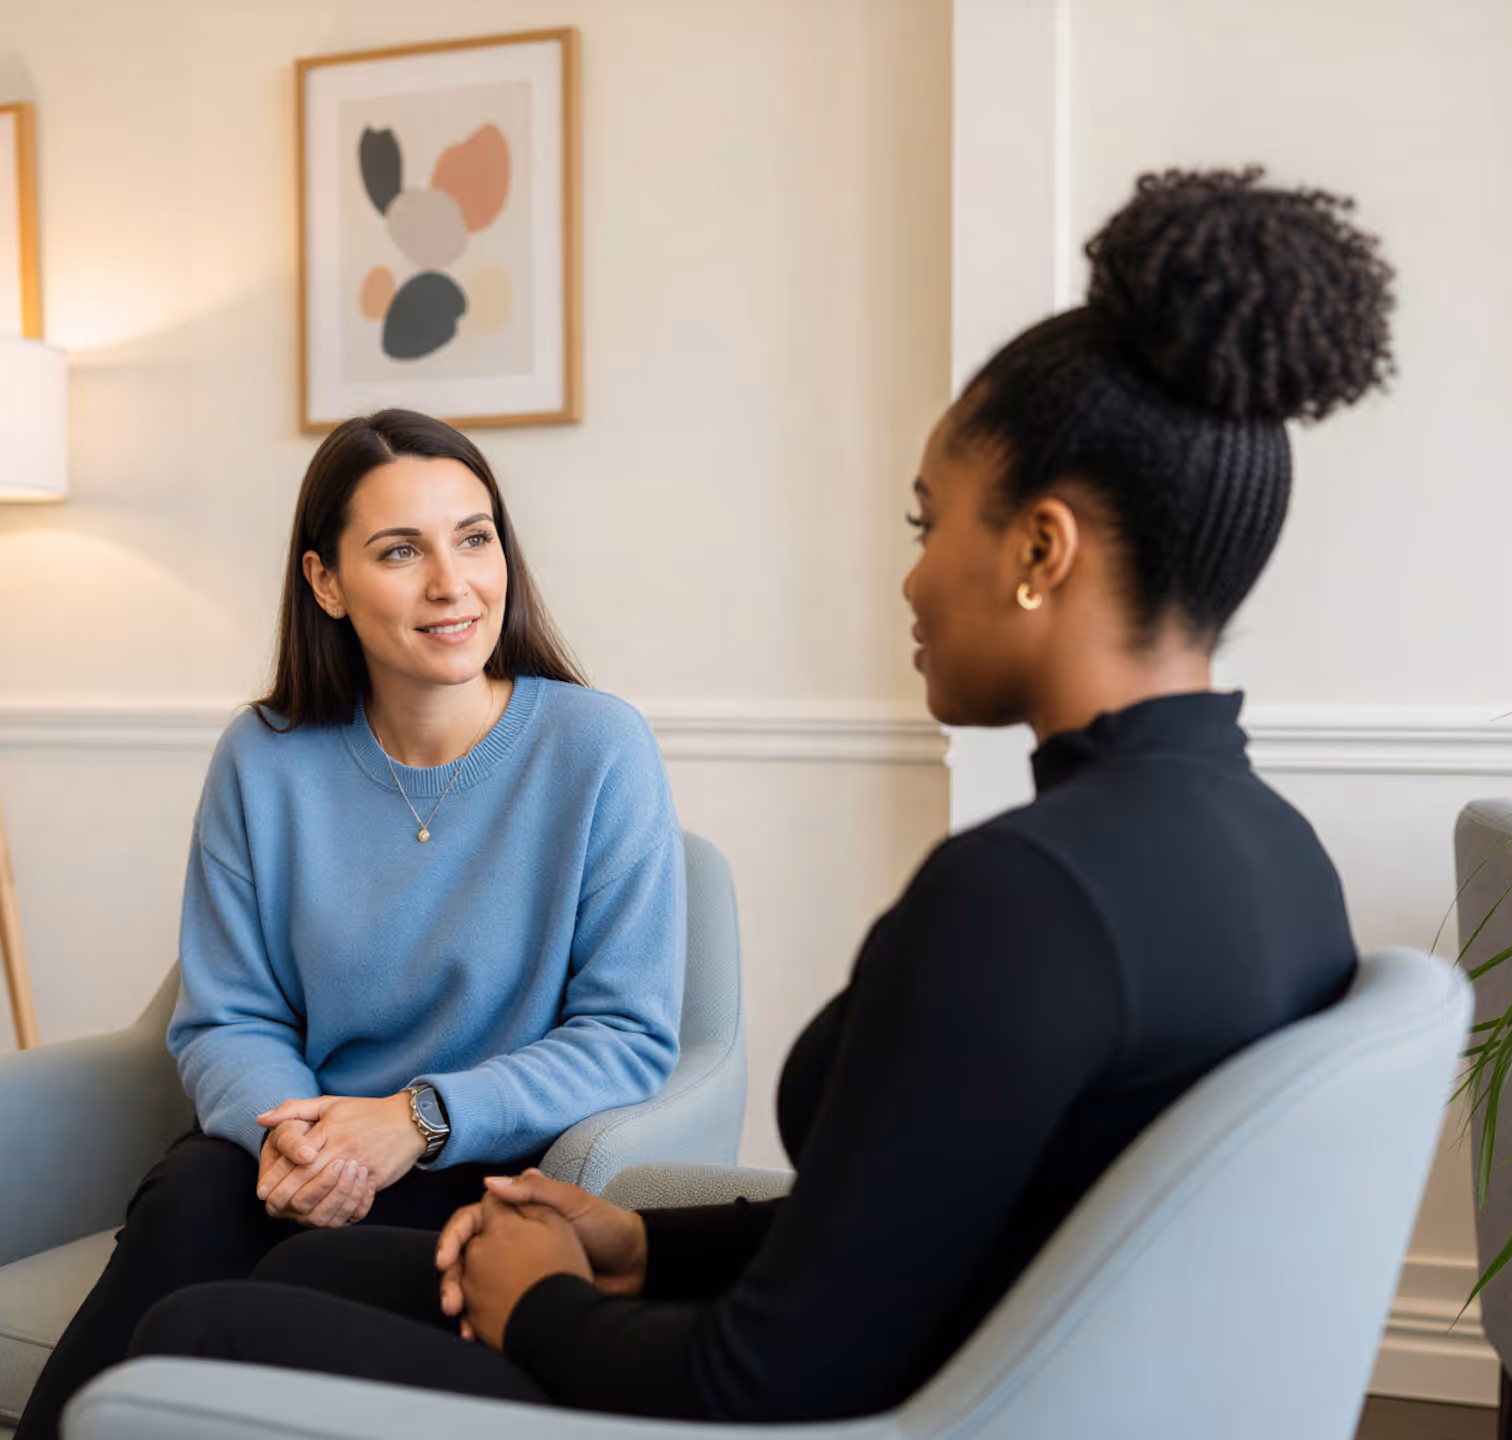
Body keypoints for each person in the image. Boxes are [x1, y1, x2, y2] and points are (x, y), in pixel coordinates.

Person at [127, 167, 1395, 1424]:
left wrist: (541, 1306)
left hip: (827, 1405)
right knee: (289, 1257)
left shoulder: (1023, 898)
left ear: (1037, 551)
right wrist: (635, 1241)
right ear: (329, 582)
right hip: (942, 1357)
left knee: (201, 1331)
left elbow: (766, 1376)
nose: (906, 584)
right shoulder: (1278, 857)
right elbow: (918, 1222)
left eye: (924, 521)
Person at [16, 410, 687, 1440]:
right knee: (195, 1196)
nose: (453, 583)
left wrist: (414, 1121)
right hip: (289, 1150)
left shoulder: (598, 750)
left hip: (481, 1167)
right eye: (399, 550)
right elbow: (228, 1016)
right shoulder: (264, 755)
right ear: (326, 582)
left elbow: (625, 1037)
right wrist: (307, 1144)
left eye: (474, 536)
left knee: (274, 1282)